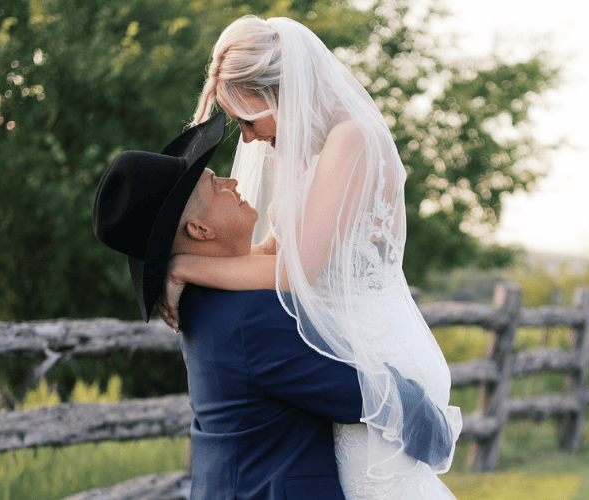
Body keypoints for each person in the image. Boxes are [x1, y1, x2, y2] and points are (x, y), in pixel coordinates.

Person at [158, 16, 462, 499]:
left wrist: (183, 266)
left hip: (371, 358)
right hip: (337, 351)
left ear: (278, 91)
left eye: (248, 120)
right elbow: (268, 256)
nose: (250, 139)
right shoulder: (307, 150)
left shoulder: (351, 139)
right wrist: (192, 274)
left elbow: (295, 274)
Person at [92, 114, 452, 500]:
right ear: (200, 230)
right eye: (215, 185)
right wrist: (438, 430)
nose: (232, 182)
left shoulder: (207, 297)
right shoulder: (249, 311)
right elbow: (360, 395)